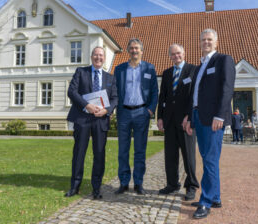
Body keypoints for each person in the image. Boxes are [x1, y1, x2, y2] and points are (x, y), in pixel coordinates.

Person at [185, 29, 235, 219]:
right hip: (198, 116)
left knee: (210, 159)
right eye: (203, 39)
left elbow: (227, 88)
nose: (206, 42)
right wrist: (190, 118)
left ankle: (205, 202)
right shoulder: (199, 67)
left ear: (216, 42)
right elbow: (194, 96)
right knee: (207, 158)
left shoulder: (223, 60)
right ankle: (215, 197)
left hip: (214, 119)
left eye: (209, 39)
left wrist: (220, 116)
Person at [65, 47, 118, 199]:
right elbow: (72, 92)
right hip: (82, 118)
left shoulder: (110, 78)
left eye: (101, 55)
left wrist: (107, 111)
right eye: (96, 55)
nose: (98, 57)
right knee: (79, 153)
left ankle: (96, 188)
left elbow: (115, 98)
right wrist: (86, 105)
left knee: (99, 155)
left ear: (104, 58)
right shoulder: (81, 72)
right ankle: (75, 186)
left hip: (100, 120)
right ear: (91, 56)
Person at [114, 38, 158, 195]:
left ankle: (138, 183)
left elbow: (154, 91)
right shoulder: (119, 69)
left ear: (142, 50)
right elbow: (114, 91)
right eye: (131, 48)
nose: (134, 51)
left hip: (142, 113)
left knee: (140, 150)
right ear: (128, 50)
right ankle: (124, 182)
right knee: (123, 150)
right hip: (124, 113)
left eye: (137, 48)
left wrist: (150, 110)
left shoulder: (149, 68)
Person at [157, 44, 199, 200]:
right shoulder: (167, 73)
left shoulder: (193, 70)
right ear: (170, 56)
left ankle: (191, 186)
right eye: (173, 54)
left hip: (185, 121)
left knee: (188, 155)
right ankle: (172, 184)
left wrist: (190, 116)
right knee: (170, 156)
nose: (176, 56)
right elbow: (163, 96)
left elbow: (194, 96)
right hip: (169, 121)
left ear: (184, 53)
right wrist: (160, 117)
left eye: (178, 53)